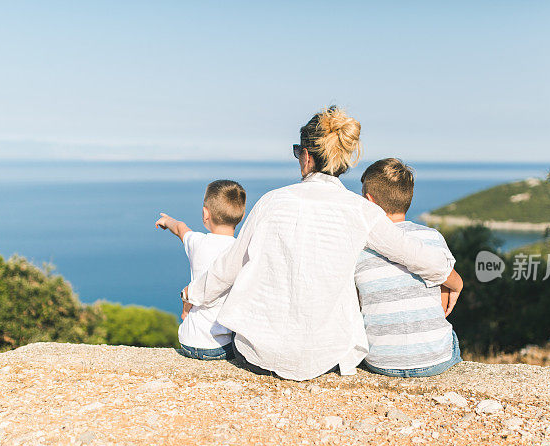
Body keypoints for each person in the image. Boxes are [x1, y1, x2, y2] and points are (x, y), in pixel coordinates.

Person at [181, 106, 459, 380]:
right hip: (326, 357)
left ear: (306, 157)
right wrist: (454, 282)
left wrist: (191, 295)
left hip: (257, 354)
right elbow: (417, 255)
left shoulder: (271, 202)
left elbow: (230, 266)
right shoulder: (361, 211)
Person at [355, 158, 463, 377]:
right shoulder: (432, 237)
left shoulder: (359, 245)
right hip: (436, 360)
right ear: (408, 198)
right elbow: (443, 306)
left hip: (381, 361)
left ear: (369, 201)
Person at [155, 180, 246, 360]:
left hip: (189, 342)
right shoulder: (241, 251)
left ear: (206, 214)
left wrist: (167, 220)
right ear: (241, 216)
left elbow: (181, 229)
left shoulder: (197, 243)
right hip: (222, 347)